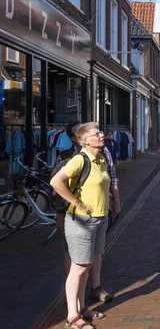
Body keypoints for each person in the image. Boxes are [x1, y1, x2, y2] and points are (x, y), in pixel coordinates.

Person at [50, 123, 111, 329]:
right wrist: (76, 203)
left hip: (100, 220)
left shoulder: (101, 159)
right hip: (81, 222)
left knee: (87, 267)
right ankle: (71, 317)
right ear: (85, 140)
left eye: (100, 132)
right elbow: (56, 181)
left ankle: (82, 307)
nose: (101, 135)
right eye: (97, 134)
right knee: (78, 268)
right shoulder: (80, 159)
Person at [57, 121, 120, 305]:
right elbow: (58, 185)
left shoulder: (102, 154)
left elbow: (112, 176)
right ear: (78, 138)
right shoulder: (70, 156)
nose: (100, 135)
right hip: (79, 218)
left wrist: (115, 201)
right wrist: (63, 211)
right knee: (75, 260)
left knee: (94, 255)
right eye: (95, 133)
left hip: (99, 214)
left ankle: (92, 290)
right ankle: (74, 301)